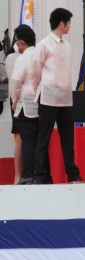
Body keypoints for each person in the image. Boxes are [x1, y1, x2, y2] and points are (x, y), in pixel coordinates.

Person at [32, 8, 83, 184]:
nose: (70, 26)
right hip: (48, 98)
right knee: (43, 139)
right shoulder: (44, 44)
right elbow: (34, 71)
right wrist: (37, 91)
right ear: (61, 24)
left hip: (66, 99)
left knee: (68, 139)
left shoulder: (67, 45)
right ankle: (40, 176)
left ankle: (73, 175)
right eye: (68, 23)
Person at [9, 25, 37, 185]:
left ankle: (27, 176)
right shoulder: (41, 54)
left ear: (20, 42)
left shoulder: (22, 58)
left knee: (27, 141)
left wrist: (14, 102)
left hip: (25, 106)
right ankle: (41, 174)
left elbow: (15, 83)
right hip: (41, 105)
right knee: (40, 142)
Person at [5, 35, 22, 184]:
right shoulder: (11, 57)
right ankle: (17, 175)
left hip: (31, 100)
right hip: (16, 100)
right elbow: (14, 80)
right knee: (20, 140)